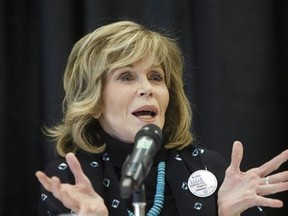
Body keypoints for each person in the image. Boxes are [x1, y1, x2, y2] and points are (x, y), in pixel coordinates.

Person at [35, 20, 288, 216]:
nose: (148, 88)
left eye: (156, 77)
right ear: (94, 101)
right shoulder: (69, 180)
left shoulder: (209, 168)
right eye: (126, 77)